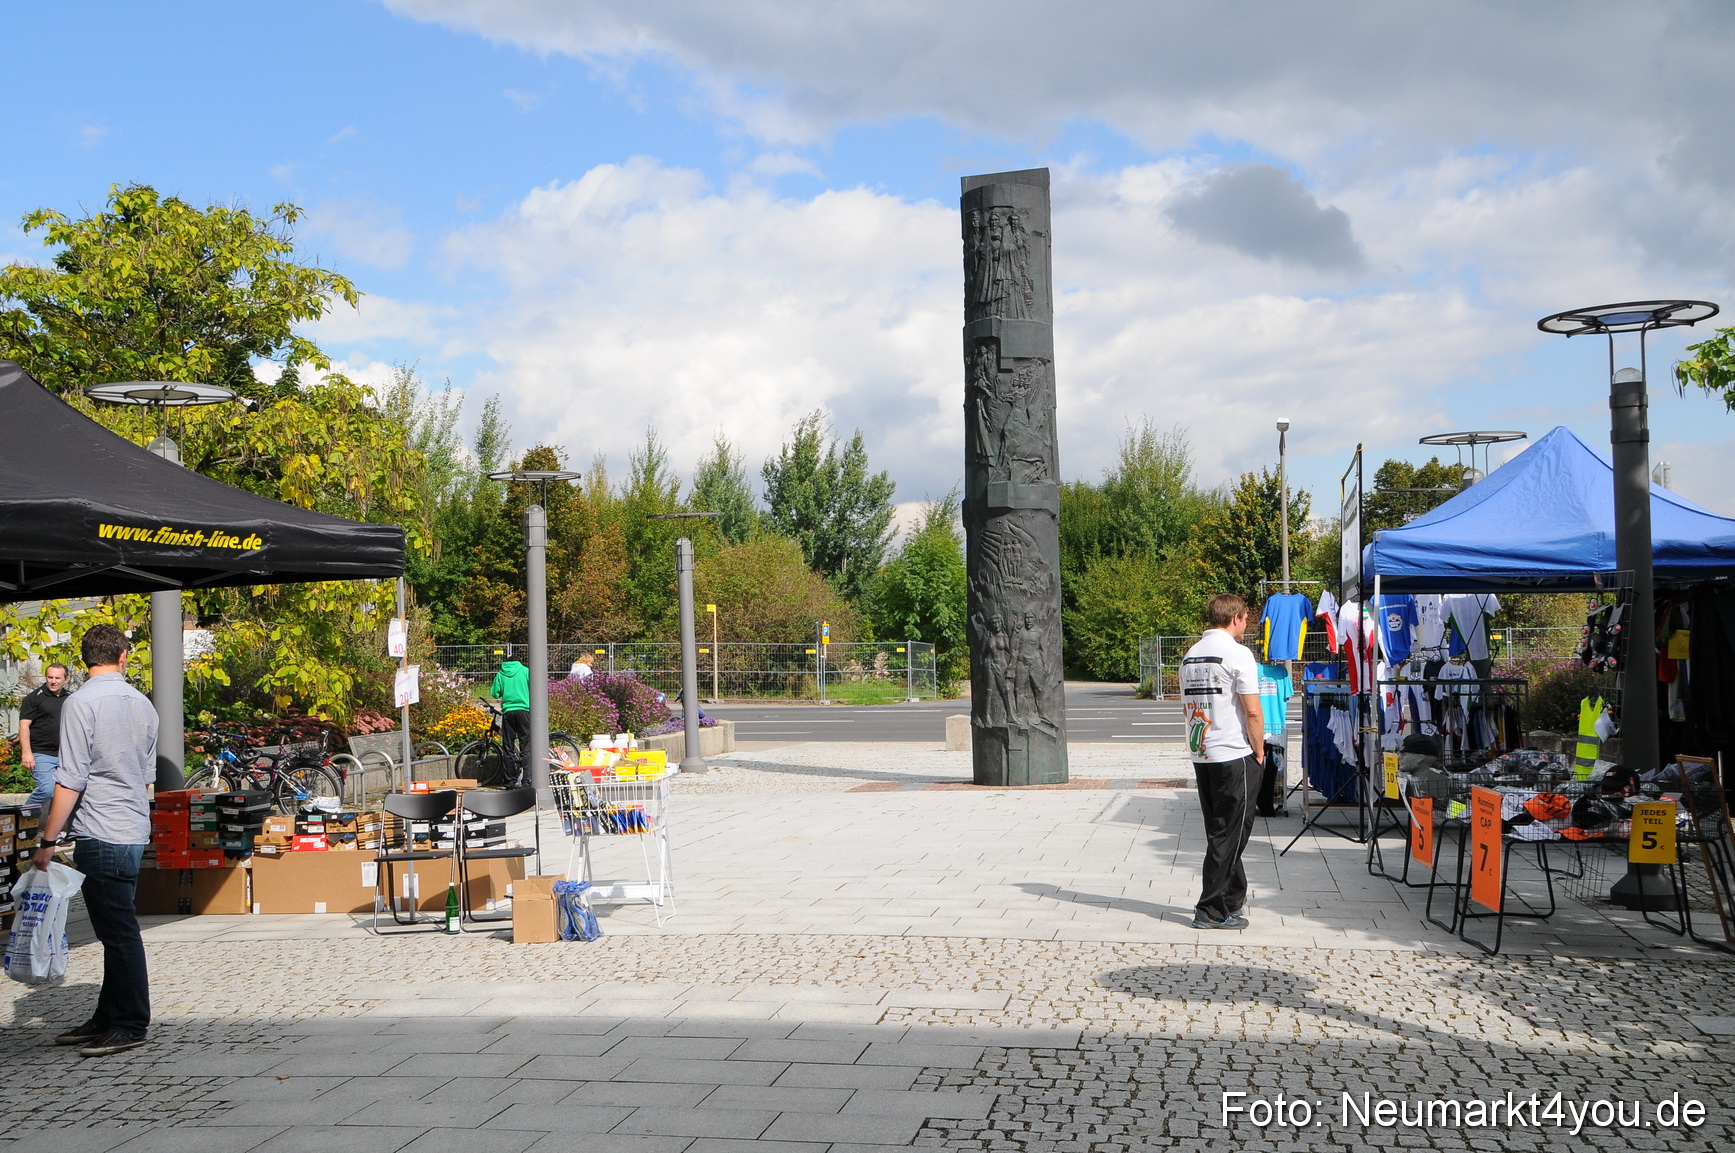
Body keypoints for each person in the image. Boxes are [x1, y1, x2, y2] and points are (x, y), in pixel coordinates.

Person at [33, 625, 157, 1057]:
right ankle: (108, 1016)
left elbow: (70, 778)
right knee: (113, 928)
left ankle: (130, 1023)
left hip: (99, 829)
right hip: (131, 828)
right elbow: (147, 778)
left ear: (85, 658)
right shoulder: (143, 704)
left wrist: (48, 840)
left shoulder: (79, 703)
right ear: (123, 656)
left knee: (118, 931)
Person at [1178, 594, 1265, 931]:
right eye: (1245, 620)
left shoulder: (1190, 655)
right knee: (1231, 831)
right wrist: (1258, 750)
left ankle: (1231, 897)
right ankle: (1210, 909)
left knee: (1222, 829)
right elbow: (1253, 711)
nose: (1246, 626)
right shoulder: (1238, 653)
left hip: (1203, 751)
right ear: (1236, 618)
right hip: (1233, 752)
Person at [18, 662, 70, 810]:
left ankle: (54, 831)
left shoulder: (71, 698)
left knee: (63, 793)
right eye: (50, 677)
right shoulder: (34, 698)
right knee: (47, 789)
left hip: (65, 754)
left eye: (57, 678)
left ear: (65, 679)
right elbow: (24, 725)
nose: (53, 681)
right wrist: (26, 753)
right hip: (42, 753)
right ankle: (24, 818)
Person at [489, 657, 531, 789]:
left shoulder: (501, 673)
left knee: (508, 747)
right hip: (524, 710)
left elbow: (494, 693)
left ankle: (510, 781)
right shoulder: (525, 671)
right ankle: (527, 781)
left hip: (508, 712)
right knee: (526, 746)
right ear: (519, 661)